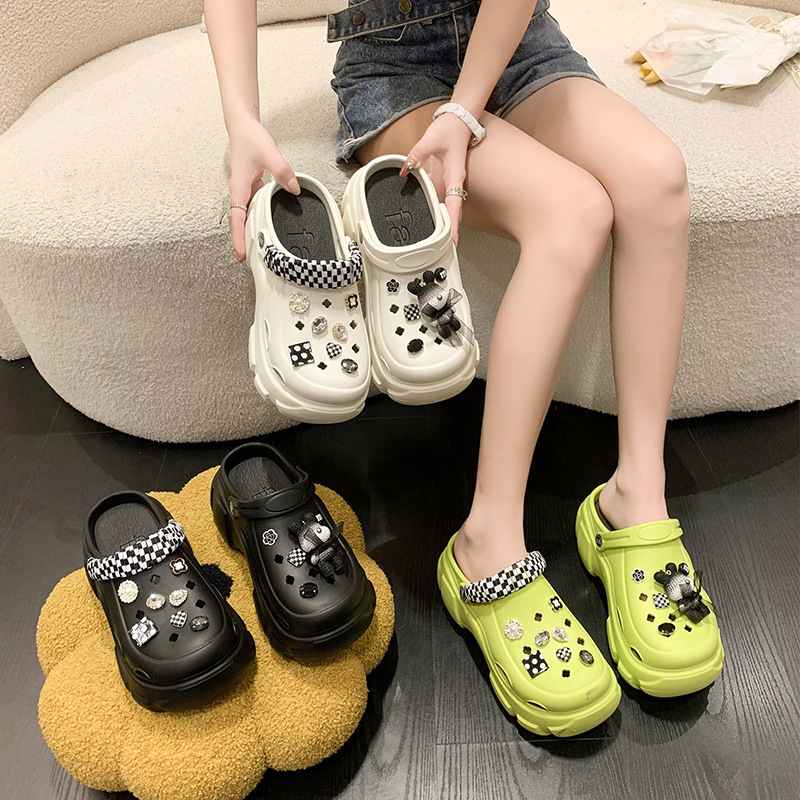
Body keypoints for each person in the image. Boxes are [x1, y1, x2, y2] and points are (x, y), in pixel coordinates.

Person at [204, 0, 723, 732]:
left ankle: (636, 492)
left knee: (658, 178)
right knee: (573, 212)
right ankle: (488, 539)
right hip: (395, 59)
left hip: (522, 45)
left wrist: (468, 107)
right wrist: (241, 118)